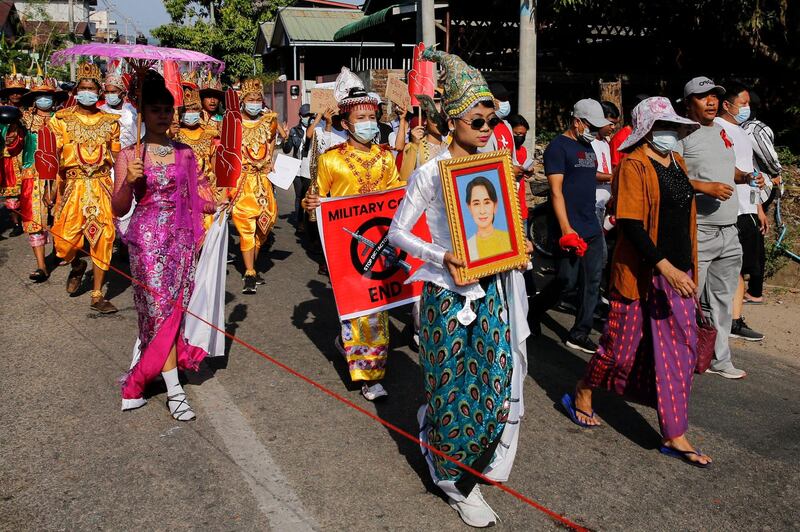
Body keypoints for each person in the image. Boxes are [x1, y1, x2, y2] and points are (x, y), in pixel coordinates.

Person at [388, 49, 532, 528]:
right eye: (477, 118)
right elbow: (396, 234)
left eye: (490, 118)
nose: (486, 125)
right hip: (446, 296)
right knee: (453, 388)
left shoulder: (496, 166)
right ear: (452, 120)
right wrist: (441, 256)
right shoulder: (431, 173)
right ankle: (453, 480)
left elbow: (499, 229)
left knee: (493, 379)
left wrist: (518, 242)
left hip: (492, 292)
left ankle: (476, 454)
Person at [563, 96, 712, 468]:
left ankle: (674, 433)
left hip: (678, 272)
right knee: (620, 349)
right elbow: (630, 224)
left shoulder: (676, 162)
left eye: (674, 127)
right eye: (664, 127)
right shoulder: (633, 165)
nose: (672, 133)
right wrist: (667, 268)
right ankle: (583, 390)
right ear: (647, 131)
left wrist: (683, 269)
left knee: (680, 350)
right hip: (643, 273)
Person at [112, 76, 216, 420]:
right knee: (159, 312)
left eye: (167, 110)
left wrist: (221, 202)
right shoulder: (129, 155)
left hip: (181, 241)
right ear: (142, 113)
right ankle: (174, 391)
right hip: (146, 242)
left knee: (173, 311)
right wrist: (130, 182)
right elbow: (118, 207)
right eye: (154, 110)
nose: (163, 116)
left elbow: (201, 197)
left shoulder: (185, 153)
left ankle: (149, 372)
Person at [302, 67, 404, 402]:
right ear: (346, 123)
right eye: (361, 118)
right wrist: (313, 202)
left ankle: (365, 362)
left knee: (378, 309)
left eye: (372, 117)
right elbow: (313, 203)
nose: (369, 123)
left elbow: (397, 199)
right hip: (347, 248)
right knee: (359, 310)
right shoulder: (331, 161)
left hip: (381, 246)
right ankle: (368, 374)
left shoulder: (386, 159)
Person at [676, 76, 763, 380]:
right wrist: (704, 187)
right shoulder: (680, 135)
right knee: (687, 299)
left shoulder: (722, 132)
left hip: (729, 228)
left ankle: (719, 358)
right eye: (703, 97)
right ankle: (676, 355)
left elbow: (728, 170)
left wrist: (745, 177)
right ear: (689, 103)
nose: (711, 101)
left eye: (714, 96)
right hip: (699, 230)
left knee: (723, 301)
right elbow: (666, 179)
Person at [529, 99, 610, 353]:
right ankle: (534, 309)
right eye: (591, 126)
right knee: (567, 281)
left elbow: (586, 175)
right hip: (569, 227)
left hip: (592, 225)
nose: (596, 132)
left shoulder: (589, 147)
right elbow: (555, 191)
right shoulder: (558, 147)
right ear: (577, 122)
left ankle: (580, 332)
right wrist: (566, 228)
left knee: (592, 280)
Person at [49, 62, 121, 313]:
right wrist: (51, 187)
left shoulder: (111, 122)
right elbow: (51, 156)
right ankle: (77, 263)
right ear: (76, 91)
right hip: (73, 186)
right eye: (83, 88)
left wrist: (122, 186)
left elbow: (117, 158)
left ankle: (97, 294)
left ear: (100, 92)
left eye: (92, 88)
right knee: (65, 241)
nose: (87, 92)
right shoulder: (61, 120)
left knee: (104, 238)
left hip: (101, 185)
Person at [714, 82, 766, 341]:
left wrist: (758, 207)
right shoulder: (717, 129)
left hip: (747, 209)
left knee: (742, 268)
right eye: (743, 103)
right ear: (727, 104)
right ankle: (716, 321)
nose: (747, 108)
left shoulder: (743, 131)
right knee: (725, 268)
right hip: (727, 209)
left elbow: (749, 170)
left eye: (748, 104)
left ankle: (734, 321)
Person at [231, 78, 279, 294]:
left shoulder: (270, 121)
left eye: (258, 100)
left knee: (265, 224)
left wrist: (271, 164)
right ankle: (250, 271)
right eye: (250, 99)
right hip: (243, 182)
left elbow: (271, 145)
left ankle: (252, 264)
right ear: (242, 101)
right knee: (246, 227)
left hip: (264, 182)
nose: (254, 103)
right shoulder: (233, 123)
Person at [742, 91, 782, 303]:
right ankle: (753, 287)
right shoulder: (743, 127)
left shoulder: (753, 129)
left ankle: (755, 289)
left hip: (759, 187)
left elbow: (768, 157)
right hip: (751, 187)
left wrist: (775, 174)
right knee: (754, 233)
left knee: (756, 232)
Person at [18, 76, 59, 282]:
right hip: (33, 175)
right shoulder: (24, 120)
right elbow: (14, 144)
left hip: (59, 175)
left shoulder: (62, 119)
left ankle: (63, 254)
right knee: (35, 220)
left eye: (48, 96)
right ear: (33, 99)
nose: (45, 100)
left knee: (61, 218)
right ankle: (42, 266)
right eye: (40, 96)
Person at [174, 85, 221, 229]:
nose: (191, 113)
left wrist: (219, 188)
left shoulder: (210, 134)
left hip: (205, 187)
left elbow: (214, 163)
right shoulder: (175, 135)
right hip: (181, 190)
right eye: (187, 110)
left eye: (194, 109)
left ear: (200, 111)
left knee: (207, 226)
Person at [0, 70, 29, 236]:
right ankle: (15, 222)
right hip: (7, 156)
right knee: (11, 192)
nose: (16, 95)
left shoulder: (29, 112)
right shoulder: (1, 111)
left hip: (25, 154)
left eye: (19, 92)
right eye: (12, 92)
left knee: (28, 190)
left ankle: (29, 218)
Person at [399, 96, 447, 181]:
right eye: (434, 117)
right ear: (425, 121)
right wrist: (414, 146)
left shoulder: (451, 145)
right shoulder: (414, 146)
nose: (440, 122)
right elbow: (404, 179)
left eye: (443, 116)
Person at [465, 176, 511, 260]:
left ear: (495, 206)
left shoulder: (510, 240)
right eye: (476, 204)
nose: (482, 211)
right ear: (469, 208)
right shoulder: (466, 248)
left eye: (487, 202)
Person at [592, 101, 620, 226]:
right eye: (610, 123)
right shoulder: (589, 143)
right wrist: (614, 177)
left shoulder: (605, 142)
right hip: (593, 204)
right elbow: (589, 173)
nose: (613, 127)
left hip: (604, 204)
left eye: (615, 124)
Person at [99, 72, 140, 149]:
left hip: (131, 152)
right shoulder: (101, 111)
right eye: (107, 92)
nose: (109, 94)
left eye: (113, 92)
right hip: (108, 153)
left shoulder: (132, 110)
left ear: (123, 94)